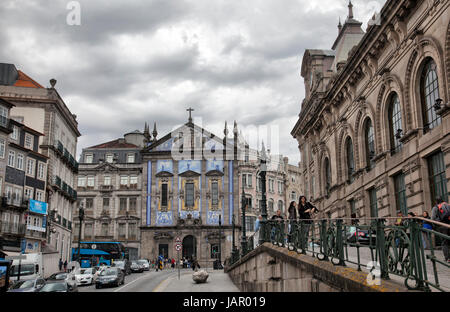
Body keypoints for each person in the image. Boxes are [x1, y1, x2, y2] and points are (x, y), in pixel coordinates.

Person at [431, 197, 450, 263]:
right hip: (449, 224)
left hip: (442, 226)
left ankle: (448, 258)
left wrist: (434, 226)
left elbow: (433, 218)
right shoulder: (448, 205)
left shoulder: (435, 207)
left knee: (445, 242)